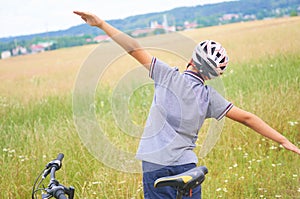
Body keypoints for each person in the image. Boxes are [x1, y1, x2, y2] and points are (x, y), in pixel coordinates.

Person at [73, 11, 300, 199]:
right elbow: (248, 118)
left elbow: (133, 48)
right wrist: (283, 140)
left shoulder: (168, 76)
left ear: (191, 60)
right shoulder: (210, 97)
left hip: (156, 165)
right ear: (213, 76)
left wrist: (101, 24)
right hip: (188, 169)